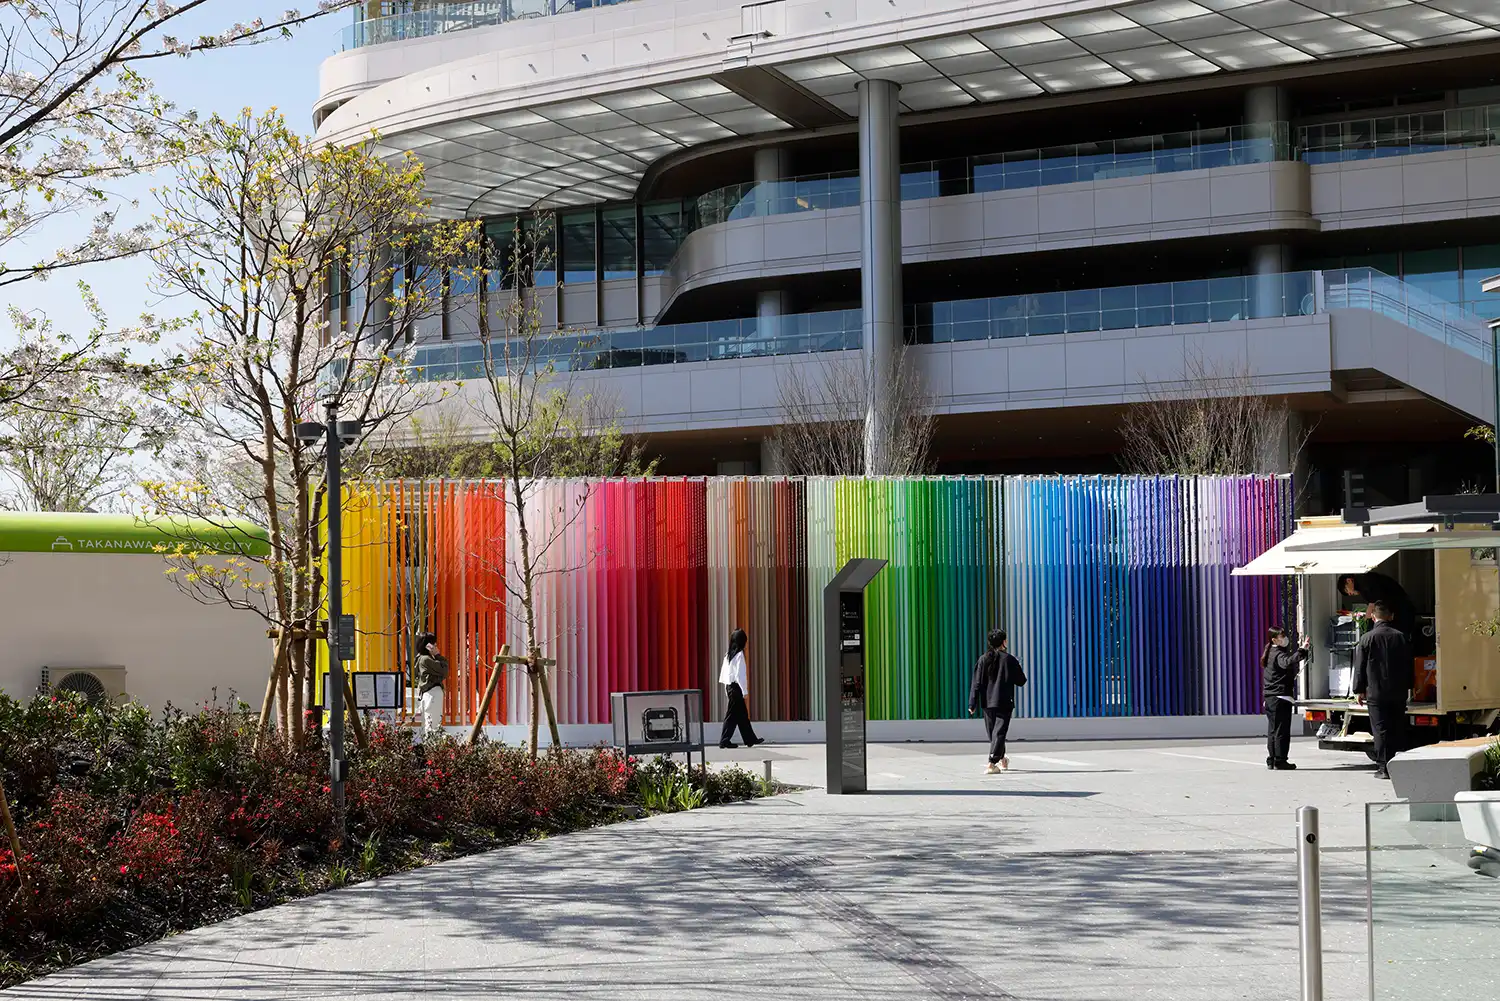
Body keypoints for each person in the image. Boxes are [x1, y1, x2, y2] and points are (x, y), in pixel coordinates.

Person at [1352, 601, 1412, 780]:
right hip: (1398, 691)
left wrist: (1359, 690)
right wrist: (1410, 686)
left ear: (1373, 616)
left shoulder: (1367, 638)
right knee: (1396, 727)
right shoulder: (1401, 637)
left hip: (1375, 693)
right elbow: (1409, 665)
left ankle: (1383, 767)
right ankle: (1394, 764)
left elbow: (1360, 667)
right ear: (1391, 616)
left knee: (1380, 729)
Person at [968, 628, 1027, 775]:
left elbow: (976, 683)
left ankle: (995, 761)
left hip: (987, 702)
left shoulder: (983, 659)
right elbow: (1021, 681)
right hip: (1005, 702)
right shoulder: (1010, 659)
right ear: (1004, 642)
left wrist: (972, 703)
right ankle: (995, 762)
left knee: (995, 733)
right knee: (998, 733)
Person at [1261, 627, 1309, 771]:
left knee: (1273, 730)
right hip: (1280, 696)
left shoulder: (1269, 652)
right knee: (1281, 730)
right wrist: (1302, 650)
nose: (1285, 638)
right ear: (1274, 639)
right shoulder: (1278, 653)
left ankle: (1272, 759)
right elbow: (1287, 662)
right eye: (1282, 636)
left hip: (1271, 697)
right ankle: (1280, 760)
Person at [1338, 572, 1420, 649]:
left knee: (1402, 639)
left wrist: (1367, 618)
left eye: (1346, 590)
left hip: (1401, 611)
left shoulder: (1364, 582)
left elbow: (1373, 603)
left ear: (1349, 580)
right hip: (1400, 610)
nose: (1349, 593)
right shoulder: (1364, 582)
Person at [718, 628, 764, 749]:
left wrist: (726, 690)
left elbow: (724, 674)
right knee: (732, 716)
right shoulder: (739, 655)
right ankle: (724, 740)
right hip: (736, 688)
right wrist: (744, 691)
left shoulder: (728, 655)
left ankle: (750, 739)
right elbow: (740, 675)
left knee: (742, 715)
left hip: (730, 687)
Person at [412, 632, 448, 740]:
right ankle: (431, 752)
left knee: (428, 725)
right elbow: (444, 670)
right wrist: (437, 655)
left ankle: (428, 750)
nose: (436, 647)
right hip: (433, 694)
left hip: (428, 694)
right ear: (429, 646)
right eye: (434, 644)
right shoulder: (426, 659)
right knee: (433, 726)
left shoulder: (420, 658)